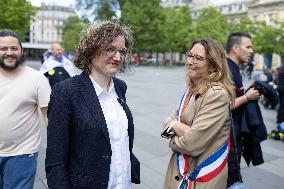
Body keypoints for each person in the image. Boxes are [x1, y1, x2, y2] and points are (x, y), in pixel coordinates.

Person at [45, 20, 140, 189]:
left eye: (122, 51)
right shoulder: (65, 92)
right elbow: (55, 161)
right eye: (110, 49)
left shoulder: (120, 87)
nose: (118, 57)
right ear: (91, 49)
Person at [161, 39, 235, 189]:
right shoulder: (193, 88)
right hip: (183, 171)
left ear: (213, 65)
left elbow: (191, 144)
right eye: (190, 55)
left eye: (198, 58)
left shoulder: (216, 94)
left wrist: (173, 139)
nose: (190, 61)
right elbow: (169, 119)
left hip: (201, 178)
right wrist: (175, 124)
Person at [0, 29, 51, 189]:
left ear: (21, 51)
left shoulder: (37, 79)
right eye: (3, 48)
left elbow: (50, 117)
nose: (9, 52)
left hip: (22, 155)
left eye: (14, 48)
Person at [226, 32, 260, 188]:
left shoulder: (233, 68)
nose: (251, 51)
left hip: (235, 132)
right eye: (248, 47)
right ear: (235, 47)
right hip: (229, 135)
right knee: (230, 177)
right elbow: (225, 104)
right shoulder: (228, 70)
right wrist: (247, 97)